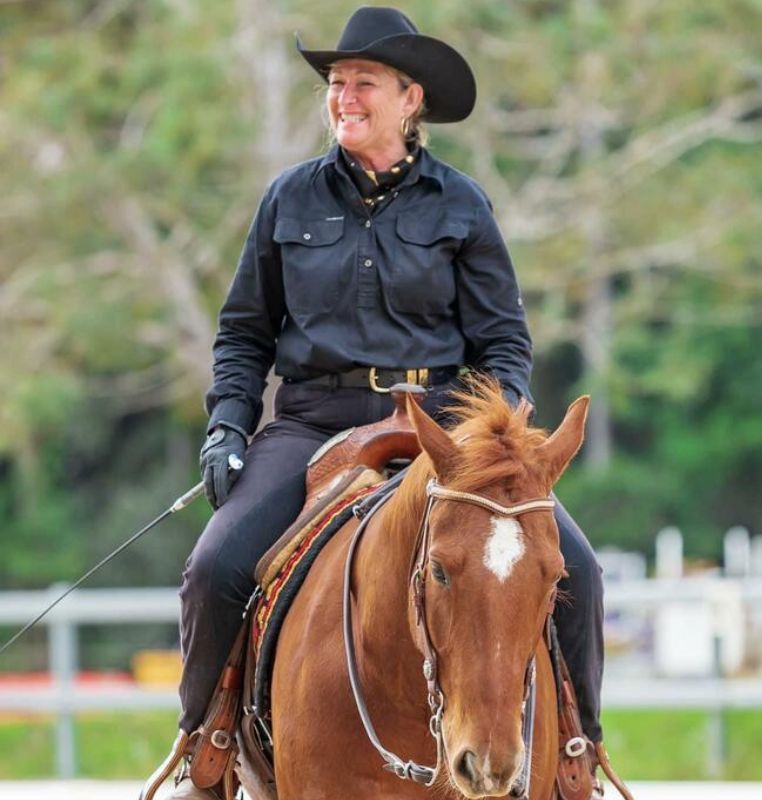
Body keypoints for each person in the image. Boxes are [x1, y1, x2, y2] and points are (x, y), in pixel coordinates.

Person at [169, 7, 605, 799]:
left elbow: (504, 343)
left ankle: (576, 752)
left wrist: (493, 434)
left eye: (362, 83)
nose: (344, 98)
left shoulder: (463, 205)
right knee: (213, 566)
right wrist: (229, 425)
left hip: (442, 430)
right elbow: (242, 334)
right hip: (311, 421)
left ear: (411, 100)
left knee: (579, 569)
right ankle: (207, 745)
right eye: (336, 85)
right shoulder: (287, 201)